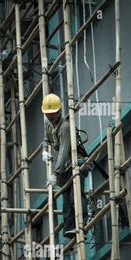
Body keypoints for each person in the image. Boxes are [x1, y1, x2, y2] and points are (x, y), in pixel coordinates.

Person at [41, 93, 87, 239]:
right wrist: (44, 150)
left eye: (52, 113)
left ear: (59, 111)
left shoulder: (65, 127)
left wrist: (55, 173)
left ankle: (82, 225)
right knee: (66, 201)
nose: (50, 116)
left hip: (76, 163)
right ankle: (69, 228)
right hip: (65, 168)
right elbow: (46, 140)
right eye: (48, 114)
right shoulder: (49, 126)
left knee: (76, 196)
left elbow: (63, 150)